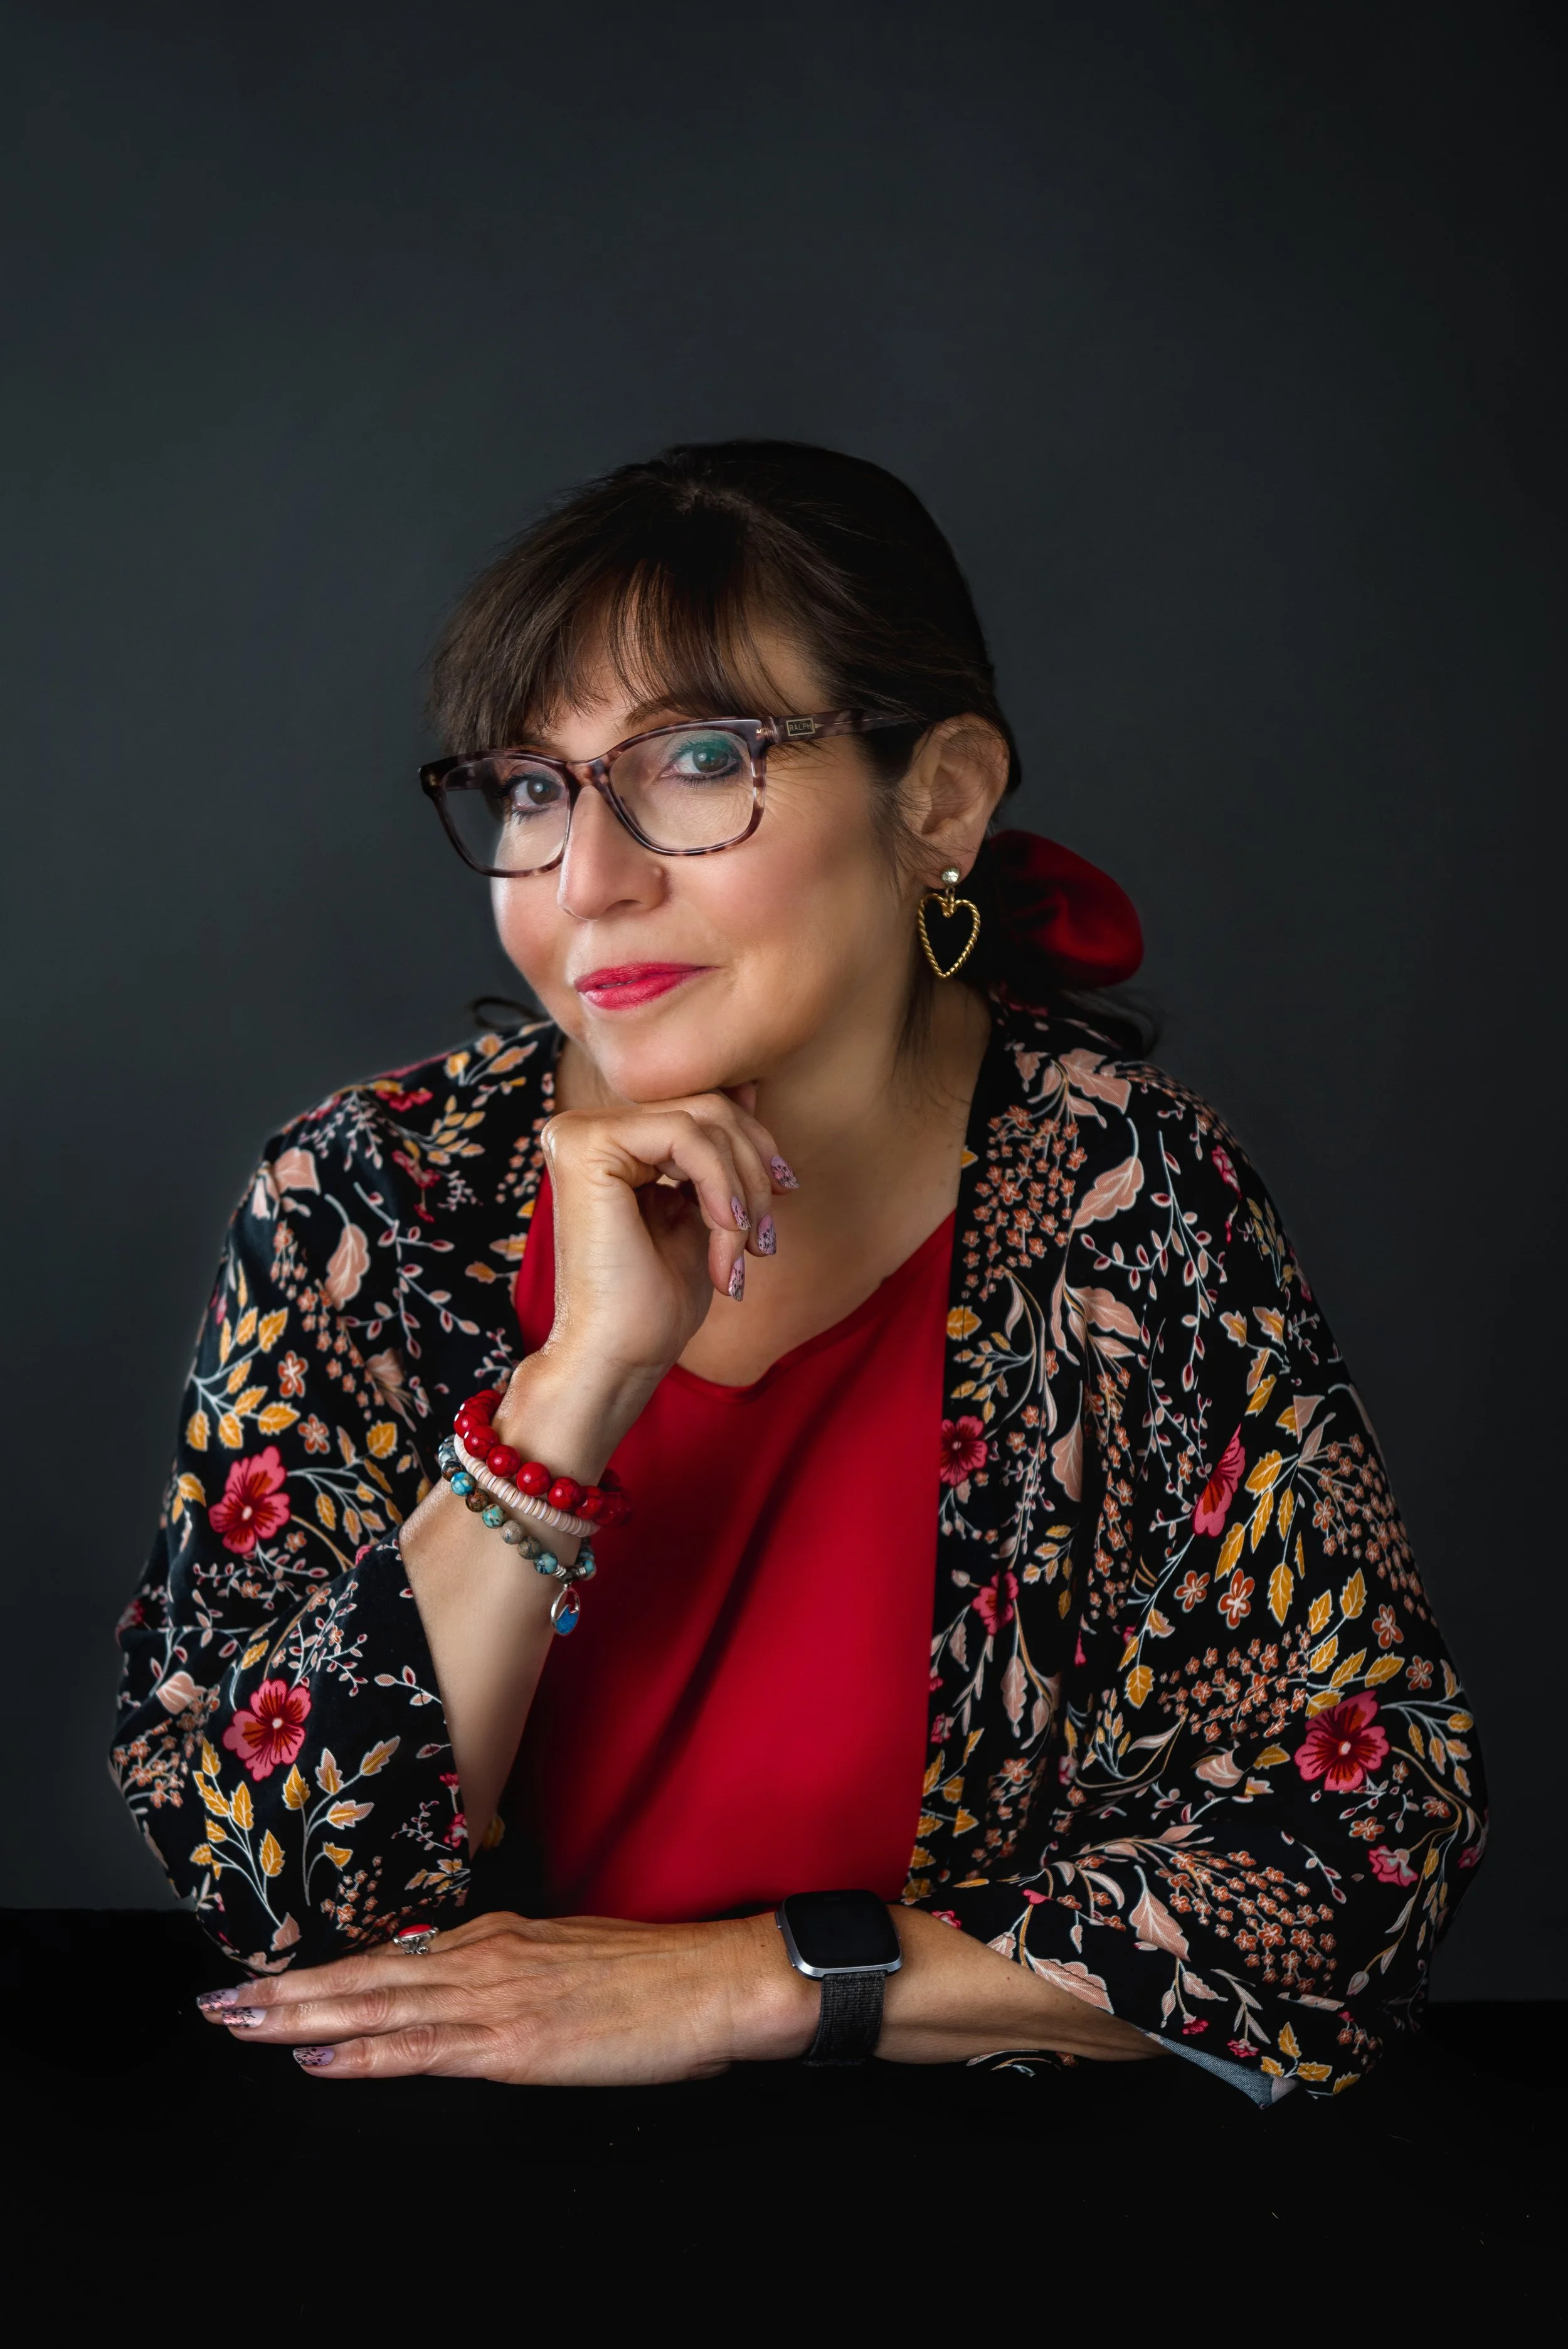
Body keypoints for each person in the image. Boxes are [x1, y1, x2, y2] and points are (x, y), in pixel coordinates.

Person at [111, 441, 1484, 2097]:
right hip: (454, 2202)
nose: (587, 882)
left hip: (993, 2207)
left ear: (943, 800)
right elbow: (277, 1894)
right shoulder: (369, 1195)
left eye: (698, 760)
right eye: (535, 788)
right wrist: (570, 1392)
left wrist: (755, 1982)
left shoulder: (1127, 1197)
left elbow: (1359, 1855)